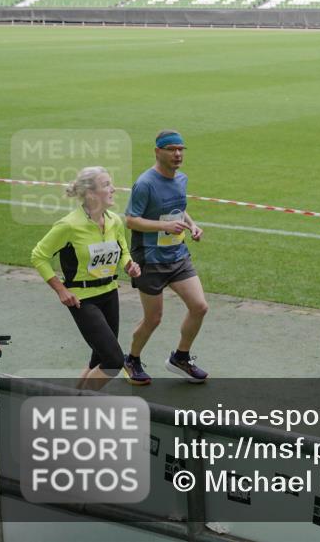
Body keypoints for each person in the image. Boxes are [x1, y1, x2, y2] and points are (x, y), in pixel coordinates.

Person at [31, 167, 141, 390]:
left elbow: (123, 249)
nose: (113, 189)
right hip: (83, 300)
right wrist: (61, 290)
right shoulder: (69, 225)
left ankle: (73, 398)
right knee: (113, 361)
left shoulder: (114, 221)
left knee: (98, 358)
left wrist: (129, 265)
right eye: (107, 185)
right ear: (91, 194)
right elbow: (38, 256)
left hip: (110, 293)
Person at [123, 130, 209, 385]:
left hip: (177, 255)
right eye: (171, 149)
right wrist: (164, 227)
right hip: (150, 258)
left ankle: (180, 358)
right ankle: (132, 359)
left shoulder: (181, 179)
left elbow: (179, 209)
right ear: (157, 151)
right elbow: (131, 220)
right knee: (153, 318)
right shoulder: (145, 183)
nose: (177, 154)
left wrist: (192, 225)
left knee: (199, 307)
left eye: (181, 149)